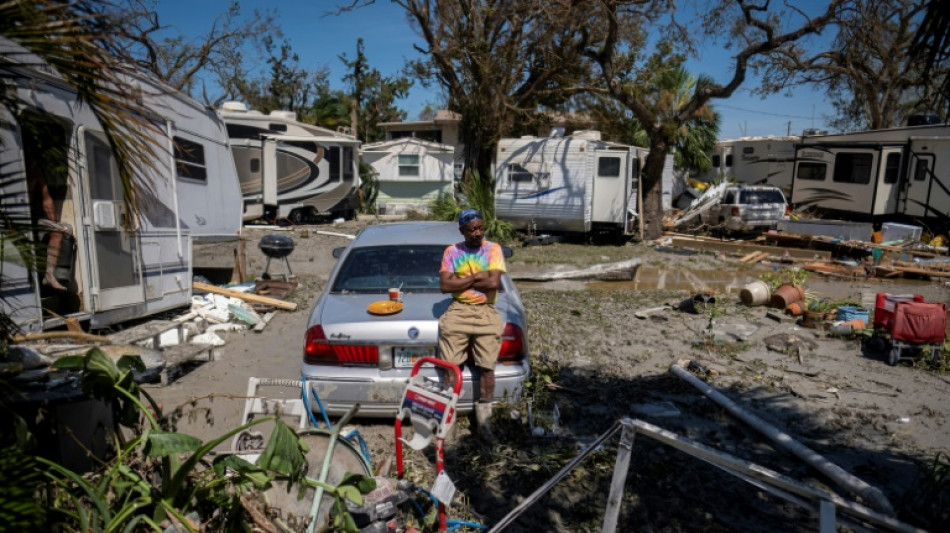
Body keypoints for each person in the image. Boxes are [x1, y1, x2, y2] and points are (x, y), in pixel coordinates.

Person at [438, 209, 506, 441]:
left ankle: (485, 424)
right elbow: (445, 286)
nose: (477, 233)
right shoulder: (452, 251)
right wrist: (478, 277)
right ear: (462, 231)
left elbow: (494, 282)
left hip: (486, 310)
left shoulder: (493, 249)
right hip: (458, 310)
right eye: (472, 229)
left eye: (480, 228)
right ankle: (449, 422)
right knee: (450, 366)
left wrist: (461, 280)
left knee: (487, 367)